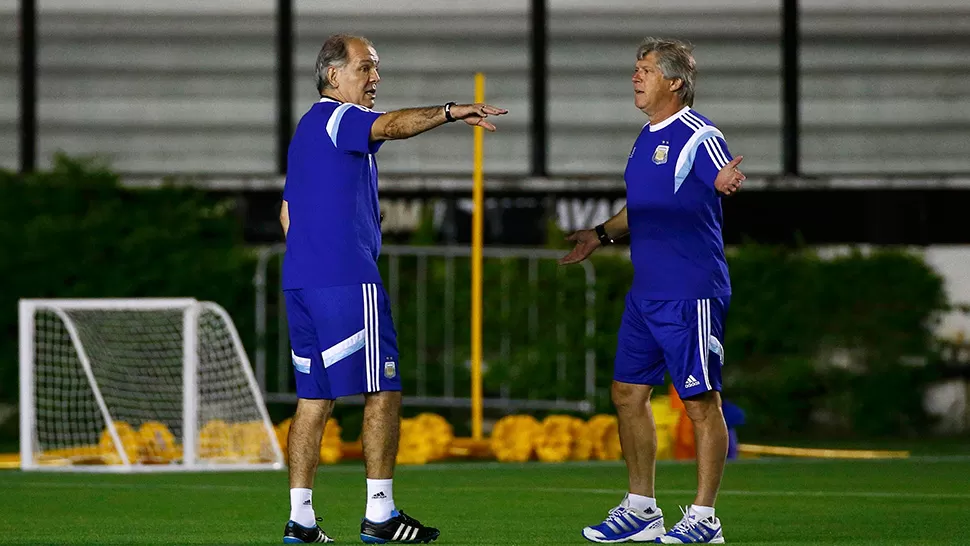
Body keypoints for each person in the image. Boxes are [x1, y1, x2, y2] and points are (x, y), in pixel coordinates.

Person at [279, 34, 507, 544]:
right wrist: (450, 111)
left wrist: (324, 244)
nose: (375, 78)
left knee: (313, 400)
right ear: (333, 76)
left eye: (376, 69)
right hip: (345, 279)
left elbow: (287, 214)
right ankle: (380, 514)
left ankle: (302, 519)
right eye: (366, 68)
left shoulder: (306, 129)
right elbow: (393, 125)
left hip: (300, 281)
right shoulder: (340, 117)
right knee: (383, 389)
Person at [559, 37, 745, 545]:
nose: (635, 77)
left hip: (691, 292)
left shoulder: (699, 134)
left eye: (645, 70)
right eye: (636, 69)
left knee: (701, 404)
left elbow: (721, 173)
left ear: (675, 82)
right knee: (626, 393)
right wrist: (599, 235)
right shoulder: (647, 136)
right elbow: (640, 209)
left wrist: (726, 182)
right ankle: (642, 509)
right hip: (647, 294)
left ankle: (705, 519)